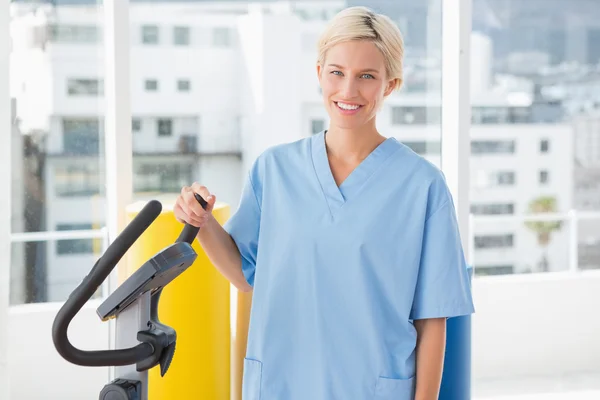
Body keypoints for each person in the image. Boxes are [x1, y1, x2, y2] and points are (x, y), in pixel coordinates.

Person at [174, 6, 474, 400]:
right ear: (319, 73)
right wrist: (205, 222)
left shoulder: (423, 186)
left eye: (367, 76)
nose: (348, 90)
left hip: (373, 388)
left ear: (391, 84)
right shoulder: (274, 169)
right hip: (282, 383)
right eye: (337, 72)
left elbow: (433, 320)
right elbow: (245, 273)